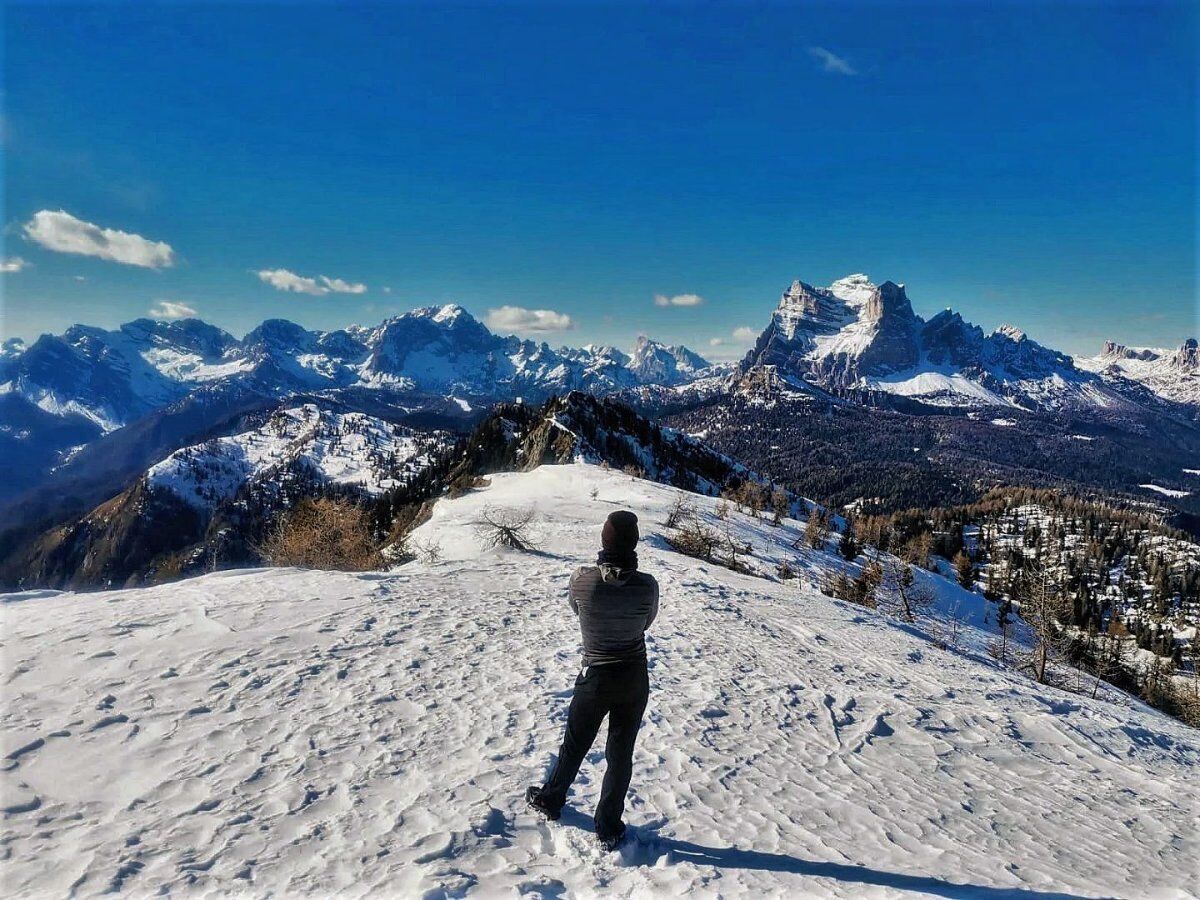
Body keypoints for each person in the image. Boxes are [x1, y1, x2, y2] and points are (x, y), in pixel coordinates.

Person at [526, 509, 659, 850]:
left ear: (603, 540)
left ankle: (552, 798)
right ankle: (609, 825)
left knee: (574, 744)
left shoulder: (582, 581)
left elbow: (576, 609)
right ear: (635, 544)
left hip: (596, 675)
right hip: (632, 677)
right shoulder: (647, 587)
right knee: (620, 754)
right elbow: (646, 623)